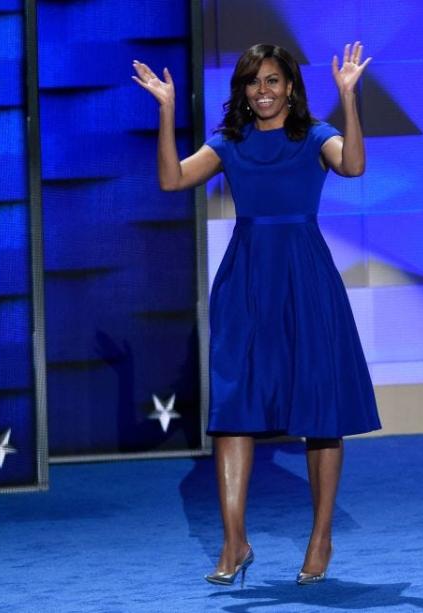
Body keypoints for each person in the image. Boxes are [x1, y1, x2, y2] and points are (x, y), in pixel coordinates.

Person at [132, 42, 382, 586]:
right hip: (245, 282)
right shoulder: (231, 142)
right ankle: (233, 541)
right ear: (242, 91)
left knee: (320, 412)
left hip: (306, 282)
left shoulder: (316, 136)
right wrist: (168, 109)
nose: (262, 92)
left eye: (272, 81)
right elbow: (173, 180)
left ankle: (320, 539)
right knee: (233, 409)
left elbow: (356, 166)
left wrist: (349, 98)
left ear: (290, 86)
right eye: (252, 82)